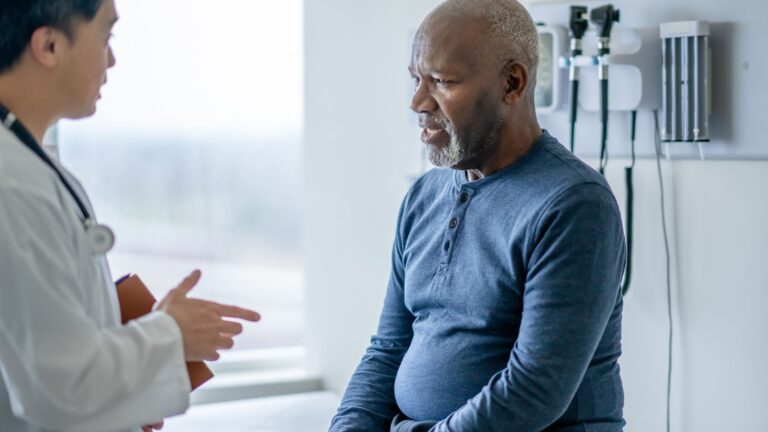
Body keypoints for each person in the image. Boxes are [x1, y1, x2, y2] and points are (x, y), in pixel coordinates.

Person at [329, 0, 626, 431]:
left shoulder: (574, 204)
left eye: (442, 82)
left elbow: (533, 390)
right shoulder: (423, 196)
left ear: (512, 82)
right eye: (415, 79)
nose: (417, 102)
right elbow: (389, 348)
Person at [0, 1, 261, 431]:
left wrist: (138, 381)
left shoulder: (30, 166)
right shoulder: (14, 184)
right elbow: (62, 389)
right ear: (48, 45)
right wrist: (170, 333)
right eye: (106, 36)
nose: (113, 59)